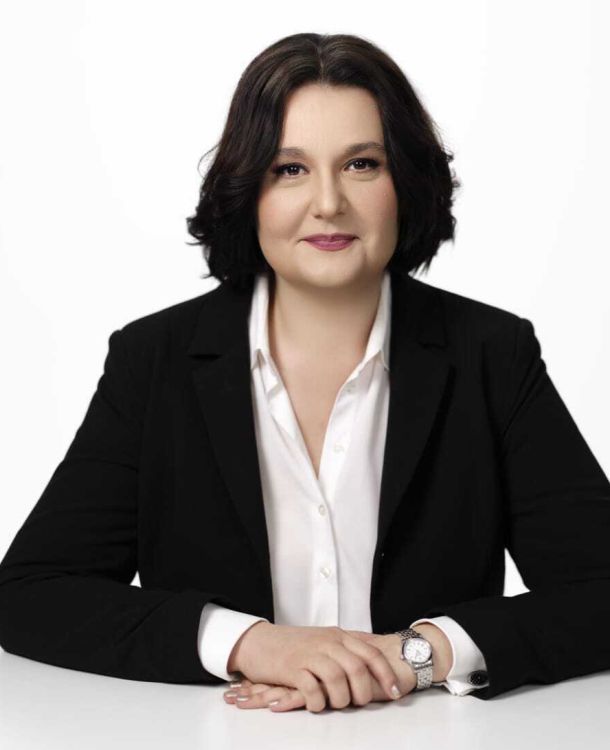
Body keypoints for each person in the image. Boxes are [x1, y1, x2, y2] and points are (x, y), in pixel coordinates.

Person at [1, 32, 609, 716]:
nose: (327, 202)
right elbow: (31, 593)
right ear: (248, 191)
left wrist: (416, 654)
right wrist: (250, 643)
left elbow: (601, 589)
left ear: (405, 182)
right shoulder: (155, 358)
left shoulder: (491, 353)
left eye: (361, 164)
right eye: (289, 168)